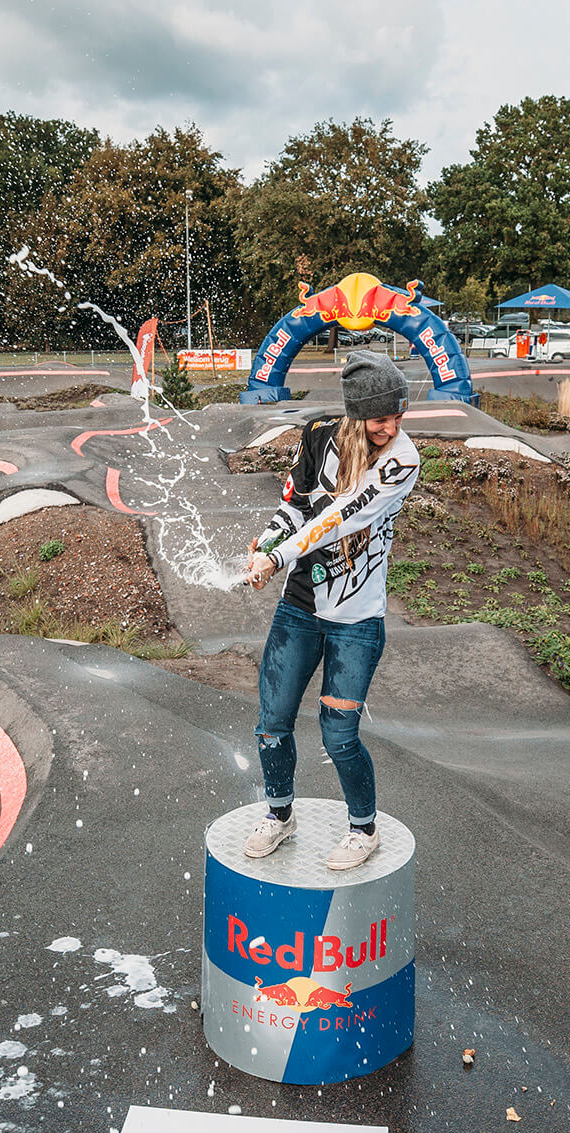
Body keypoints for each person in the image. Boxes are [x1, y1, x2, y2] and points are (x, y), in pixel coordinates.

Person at [240, 351, 421, 872]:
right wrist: (266, 545)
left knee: (338, 735)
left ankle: (363, 828)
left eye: (397, 416)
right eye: (381, 417)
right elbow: (294, 503)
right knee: (272, 725)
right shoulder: (319, 436)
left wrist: (279, 555)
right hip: (299, 608)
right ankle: (279, 816)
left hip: (357, 622)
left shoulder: (402, 460)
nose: (391, 426)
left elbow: (342, 517)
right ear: (356, 413)